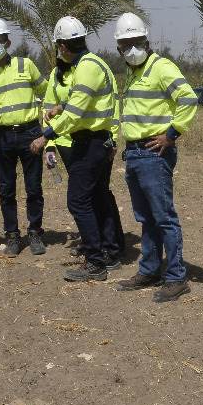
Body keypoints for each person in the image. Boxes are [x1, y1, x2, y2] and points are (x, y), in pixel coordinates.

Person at [111, 12, 198, 303]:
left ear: (146, 40)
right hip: (134, 152)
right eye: (125, 44)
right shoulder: (132, 73)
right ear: (119, 48)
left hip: (153, 152)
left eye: (136, 42)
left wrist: (171, 134)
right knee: (145, 217)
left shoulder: (161, 67)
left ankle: (176, 277)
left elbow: (188, 98)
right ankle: (149, 269)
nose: (131, 48)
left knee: (163, 217)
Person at [29, 16, 120, 282]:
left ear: (63, 45)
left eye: (59, 46)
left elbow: (78, 113)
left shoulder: (87, 67)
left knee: (78, 201)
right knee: (96, 197)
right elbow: (81, 102)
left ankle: (95, 262)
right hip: (95, 140)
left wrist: (46, 136)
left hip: (90, 143)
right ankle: (108, 252)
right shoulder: (89, 64)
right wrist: (61, 108)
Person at [0, 17, 48, 256]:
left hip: (30, 132)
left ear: (8, 41)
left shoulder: (26, 65)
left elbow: (46, 92)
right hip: (2, 136)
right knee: (6, 188)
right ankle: (13, 235)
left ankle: (35, 232)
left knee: (33, 187)